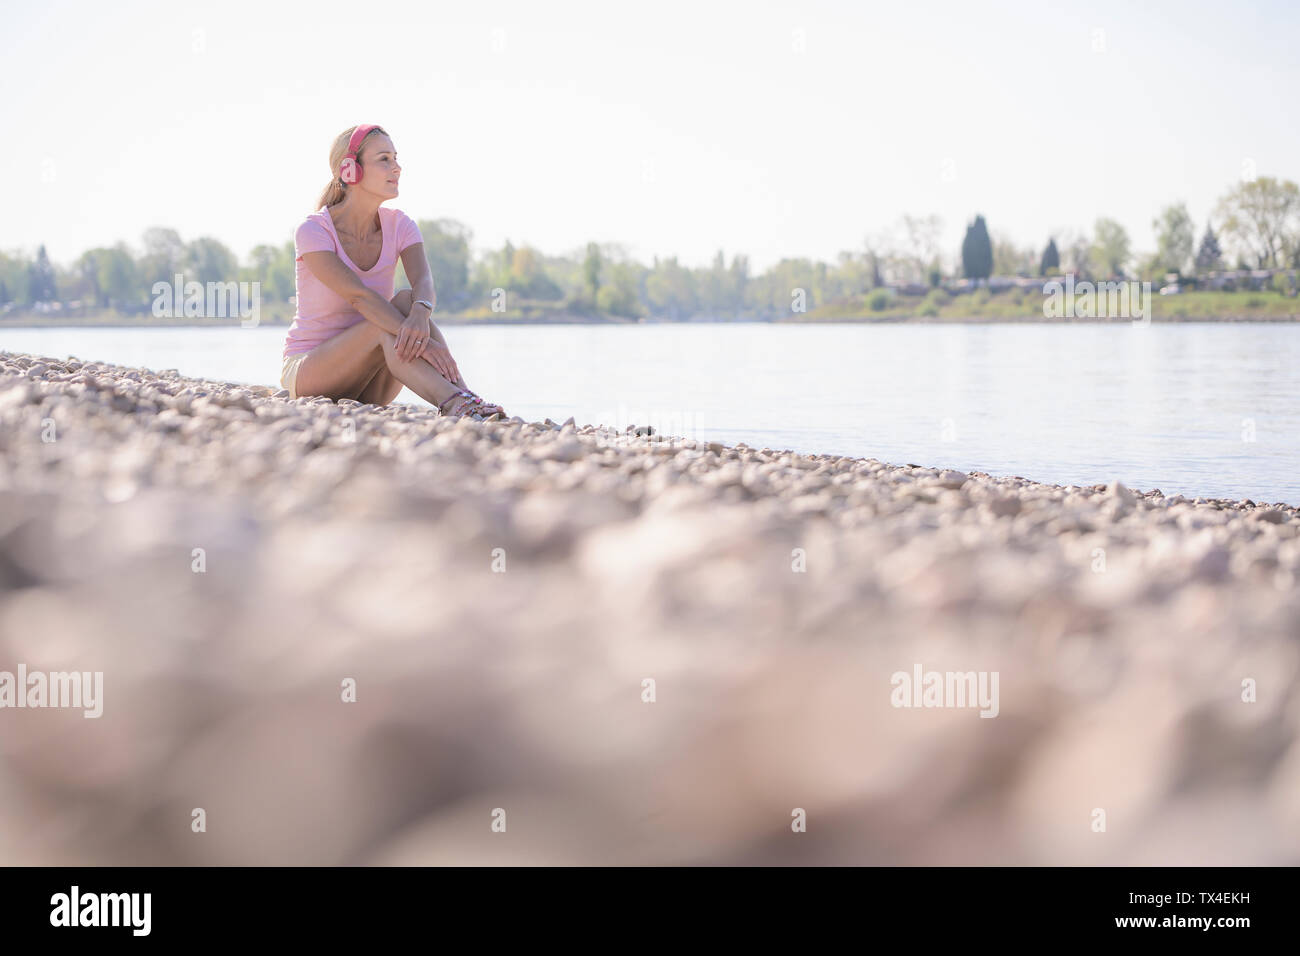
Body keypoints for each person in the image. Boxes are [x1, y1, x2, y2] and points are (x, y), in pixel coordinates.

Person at [280, 124, 506, 419]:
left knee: (406, 300)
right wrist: (422, 345)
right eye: (384, 159)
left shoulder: (400, 225)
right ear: (349, 170)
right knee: (382, 322)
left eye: (395, 158)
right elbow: (358, 296)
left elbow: (423, 281)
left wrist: (420, 314)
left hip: (371, 382)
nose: (397, 168)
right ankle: (454, 401)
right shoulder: (313, 230)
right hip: (311, 373)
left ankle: (464, 397)